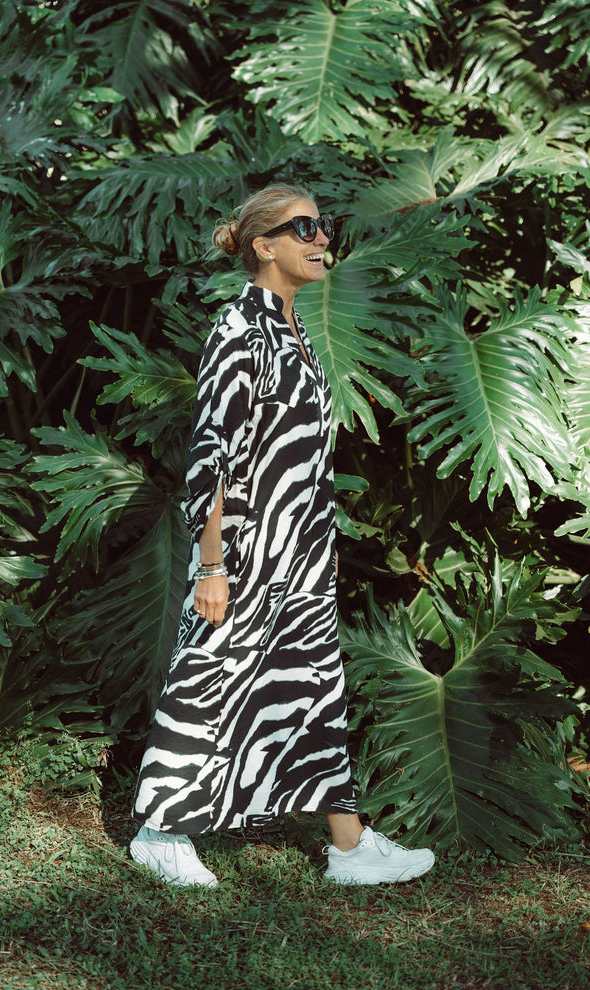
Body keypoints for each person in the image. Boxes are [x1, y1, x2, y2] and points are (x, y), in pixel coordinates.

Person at [130, 183, 435, 887]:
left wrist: (315, 544)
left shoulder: (293, 328)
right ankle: (160, 831)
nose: (321, 239)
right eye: (304, 229)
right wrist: (211, 565)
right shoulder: (240, 330)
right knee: (208, 677)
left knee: (313, 685)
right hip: (244, 552)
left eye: (322, 226)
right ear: (263, 246)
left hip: (300, 552)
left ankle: (348, 846)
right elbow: (211, 454)